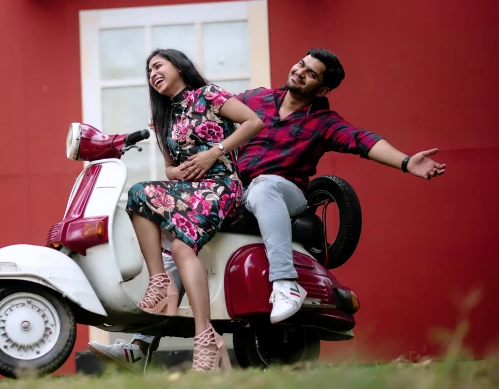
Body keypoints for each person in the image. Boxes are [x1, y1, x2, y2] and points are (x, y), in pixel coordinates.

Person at [88, 48, 446, 372]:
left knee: (265, 185)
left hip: (285, 191)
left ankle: (285, 282)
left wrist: (404, 161)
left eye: (311, 73)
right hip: (233, 192)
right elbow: (213, 112)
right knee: (180, 249)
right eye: (302, 64)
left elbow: (362, 140)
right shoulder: (257, 98)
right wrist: (176, 125)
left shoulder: (323, 122)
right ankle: (140, 346)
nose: (300, 72)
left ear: (322, 89)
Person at [119, 48, 264, 372]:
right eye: (149, 71)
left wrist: (214, 153)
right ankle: (171, 295)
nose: (153, 73)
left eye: (158, 65)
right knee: (144, 201)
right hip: (191, 189)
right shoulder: (164, 117)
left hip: (222, 185)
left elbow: (254, 122)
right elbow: (170, 169)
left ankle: (190, 321)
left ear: (179, 66)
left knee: (165, 222)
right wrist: (177, 173)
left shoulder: (208, 95)